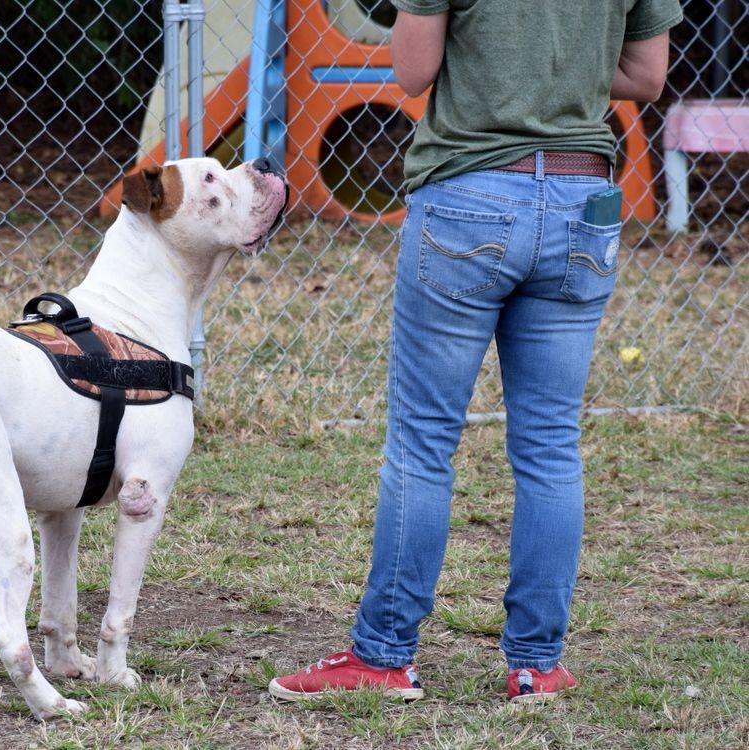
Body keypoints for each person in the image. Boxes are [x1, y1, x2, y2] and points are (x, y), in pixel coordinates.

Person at [270, 0, 682, 704]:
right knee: (551, 443)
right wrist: (558, 72)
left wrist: (497, 68)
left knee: (423, 440)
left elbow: (412, 70)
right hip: (582, 199)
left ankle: (384, 657)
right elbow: (646, 77)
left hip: (470, 196)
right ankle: (536, 666)